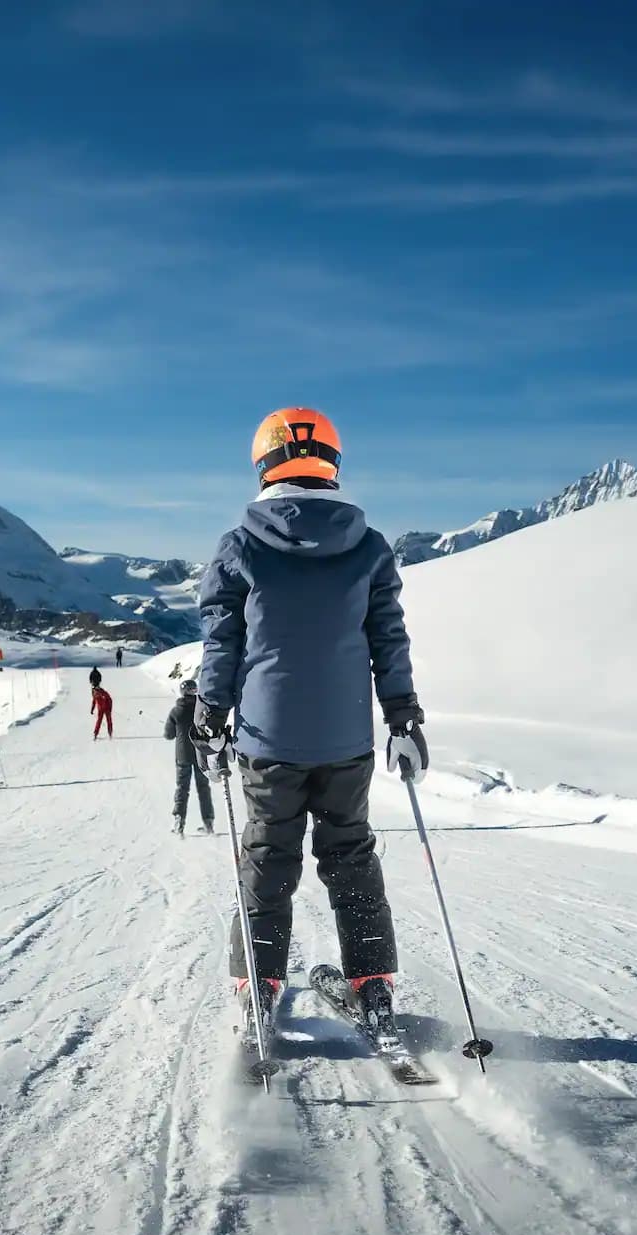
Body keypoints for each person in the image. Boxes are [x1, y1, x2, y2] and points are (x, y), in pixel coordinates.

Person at [194, 406, 429, 1054]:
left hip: (268, 740)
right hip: (346, 738)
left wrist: (211, 714)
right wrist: (403, 716)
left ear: (263, 464)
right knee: (350, 855)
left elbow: (223, 643)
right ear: (331, 462)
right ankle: (374, 987)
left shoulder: (238, 545)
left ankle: (259, 993)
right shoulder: (368, 544)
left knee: (269, 859)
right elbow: (388, 638)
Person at [162, 678, 214, 836]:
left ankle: (179, 822)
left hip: (183, 756)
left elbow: (168, 735)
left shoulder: (176, 711)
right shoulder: (202, 710)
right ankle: (208, 823)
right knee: (203, 788)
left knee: (182, 788)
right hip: (201, 754)